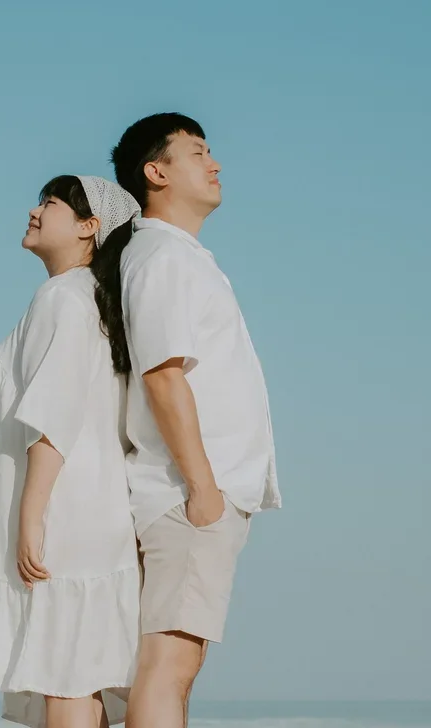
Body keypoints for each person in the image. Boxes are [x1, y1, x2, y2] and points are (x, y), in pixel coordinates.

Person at [0, 174, 144, 728]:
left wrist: (31, 516)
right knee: (80, 677)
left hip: (66, 509)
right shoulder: (87, 301)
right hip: (94, 507)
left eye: (51, 203)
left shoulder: (61, 297)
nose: (34, 211)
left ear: (90, 228)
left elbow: (54, 416)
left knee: (65, 679)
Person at [111, 114, 281, 728]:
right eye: (197, 152)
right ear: (155, 172)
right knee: (167, 668)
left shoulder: (174, 255)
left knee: (170, 668)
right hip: (187, 493)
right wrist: (204, 489)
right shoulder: (161, 254)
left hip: (190, 491)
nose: (214, 163)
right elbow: (162, 374)